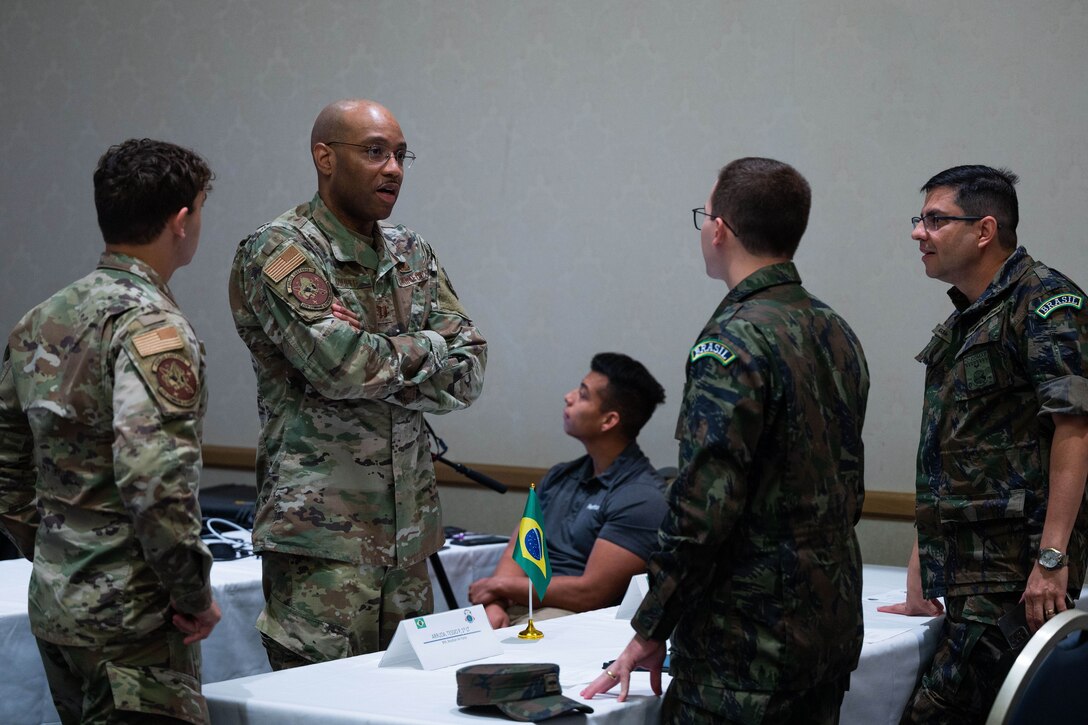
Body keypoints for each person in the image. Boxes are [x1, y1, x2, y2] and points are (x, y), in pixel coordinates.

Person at [582, 157, 870, 724]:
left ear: (720, 229)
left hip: (747, 644)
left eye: (704, 216)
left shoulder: (733, 341)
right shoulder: (835, 329)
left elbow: (701, 510)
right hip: (828, 621)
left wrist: (651, 626)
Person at [228, 99, 487, 670]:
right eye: (374, 151)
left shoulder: (411, 253)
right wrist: (424, 351)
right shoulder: (281, 251)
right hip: (322, 544)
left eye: (400, 154)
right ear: (324, 157)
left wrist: (382, 360)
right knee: (317, 709)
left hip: (409, 539)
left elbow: (470, 370)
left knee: (404, 708)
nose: (392, 168)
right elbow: (342, 367)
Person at [0, 138, 220, 724]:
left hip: (57, 604)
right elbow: (153, 479)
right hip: (134, 619)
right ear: (181, 220)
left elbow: (7, 470)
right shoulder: (152, 326)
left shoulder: (38, 320)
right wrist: (193, 593)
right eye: (199, 209)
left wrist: (58, 553)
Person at [878, 165, 1088, 723]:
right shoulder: (970, 318)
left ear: (984, 230)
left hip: (1014, 575)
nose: (918, 233)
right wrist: (926, 556)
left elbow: (1077, 428)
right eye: (920, 220)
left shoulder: (1045, 303)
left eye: (935, 220)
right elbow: (956, 450)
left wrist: (1052, 559)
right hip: (971, 571)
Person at [468, 352, 669, 630]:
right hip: (522, 601)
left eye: (583, 395)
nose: (568, 396)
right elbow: (519, 549)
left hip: (575, 615)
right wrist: (495, 604)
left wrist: (502, 586)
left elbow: (591, 593)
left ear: (609, 421)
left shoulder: (641, 496)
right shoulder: (560, 475)